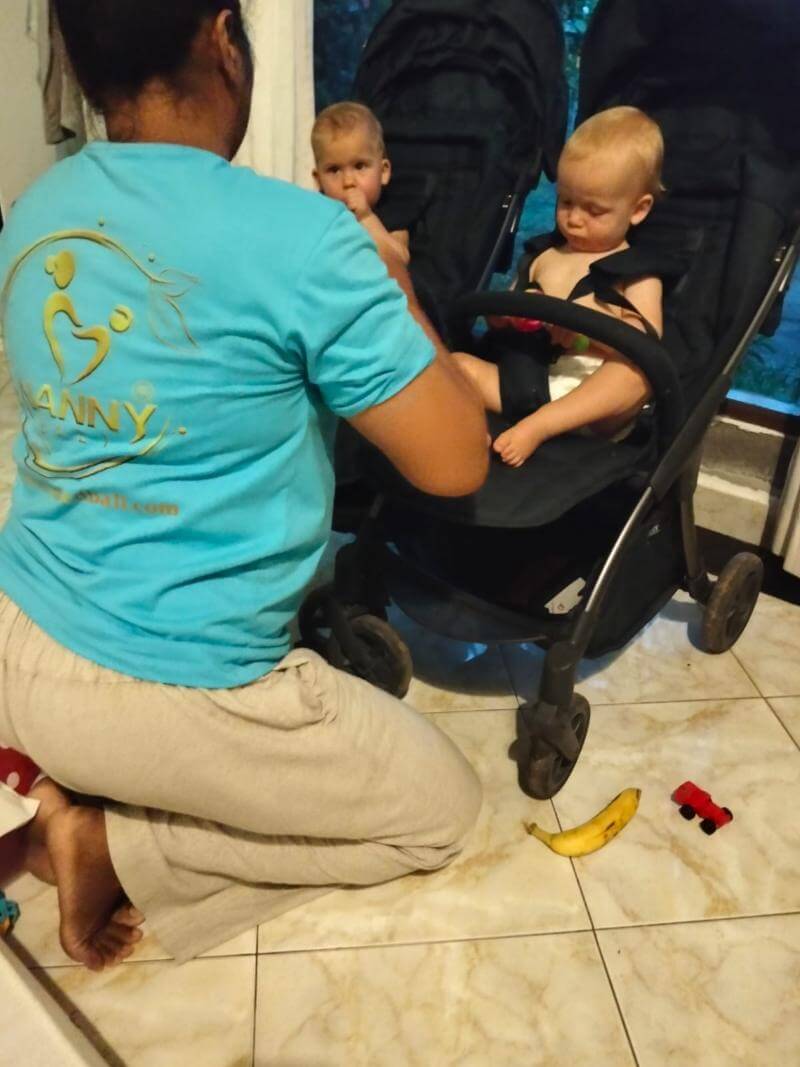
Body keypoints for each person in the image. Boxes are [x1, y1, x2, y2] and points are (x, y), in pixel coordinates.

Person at [0, 0, 488, 972]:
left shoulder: (36, 209)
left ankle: (62, 777)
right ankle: (109, 839)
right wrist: (390, 284)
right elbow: (456, 459)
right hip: (156, 691)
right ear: (224, 39)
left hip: (15, 633)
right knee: (443, 806)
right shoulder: (305, 238)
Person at [455, 106, 665, 467]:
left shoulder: (637, 273)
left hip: (587, 400)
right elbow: (498, 319)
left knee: (636, 375)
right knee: (454, 365)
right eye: (566, 202)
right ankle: (464, 429)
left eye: (594, 211)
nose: (574, 219)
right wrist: (507, 315)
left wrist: (585, 330)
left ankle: (541, 426)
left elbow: (644, 343)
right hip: (521, 380)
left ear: (638, 210)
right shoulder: (543, 256)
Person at [312, 101, 411, 265]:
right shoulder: (319, 219)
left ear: (383, 172)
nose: (348, 182)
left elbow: (398, 259)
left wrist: (366, 218)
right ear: (318, 180)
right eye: (334, 170)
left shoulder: (392, 215)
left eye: (359, 166)